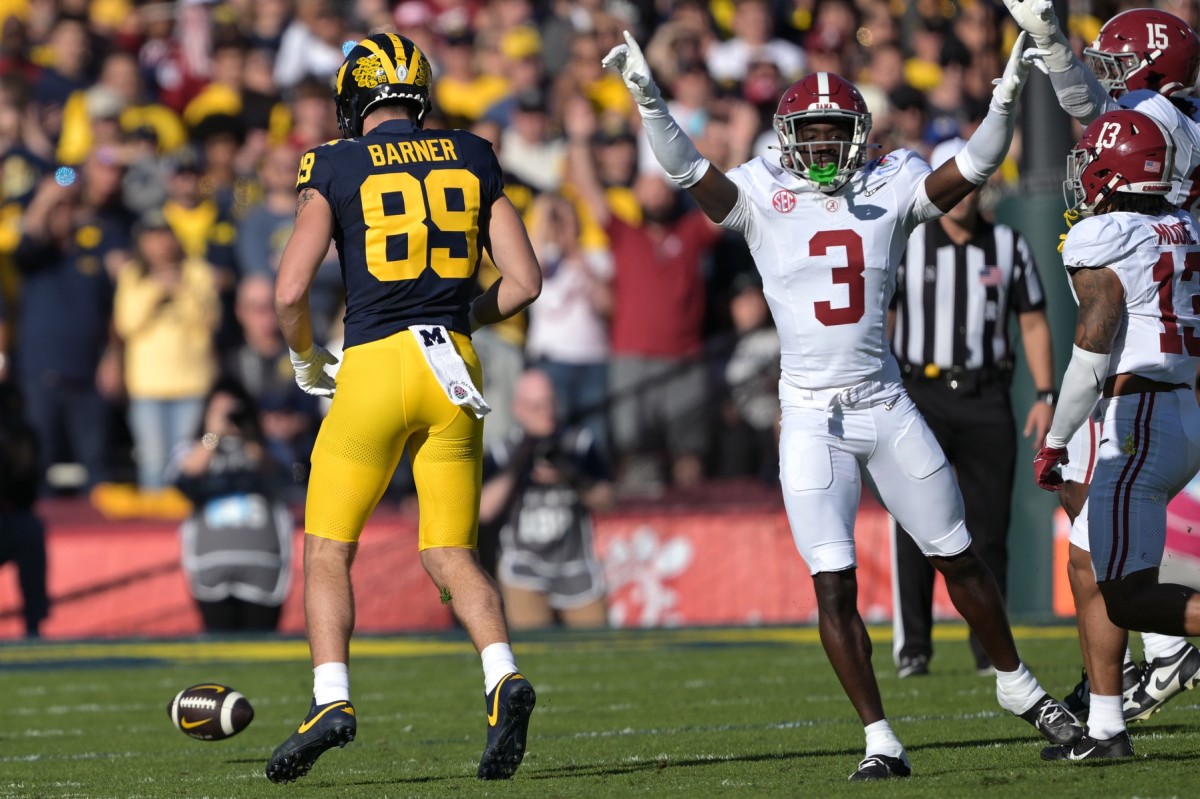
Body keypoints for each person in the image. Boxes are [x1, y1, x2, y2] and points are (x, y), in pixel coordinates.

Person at [603, 30, 1081, 780]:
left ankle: (1019, 685)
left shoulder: (890, 185)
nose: (823, 147)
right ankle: (880, 737)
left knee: (958, 553)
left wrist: (1007, 95)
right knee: (833, 579)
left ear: (859, 136)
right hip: (810, 415)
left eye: (835, 132)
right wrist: (649, 99)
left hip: (885, 402)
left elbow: (977, 165)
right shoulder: (763, 194)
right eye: (811, 133)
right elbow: (689, 168)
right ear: (787, 139)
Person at [266, 33, 542, 783]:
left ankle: (331, 698)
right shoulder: (473, 152)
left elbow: (289, 289)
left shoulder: (335, 161)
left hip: (376, 364)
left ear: (355, 98)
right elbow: (524, 280)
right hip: (454, 364)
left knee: (328, 546)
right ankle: (502, 674)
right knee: (452, 550)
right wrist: (458, 320)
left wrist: (300, 356)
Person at [1004, 0, 1200, 722]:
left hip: (1143, 336)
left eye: (1124, 68)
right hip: (1169, 310)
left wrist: (1053, 45)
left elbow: (1097, 112)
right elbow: (1104, 111)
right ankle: (1114, 701)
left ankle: (1151, 652)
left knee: (1095, 531)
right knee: (1089, 534)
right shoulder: (1164, 118)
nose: (1111, 83)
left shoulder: (1163, 127)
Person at [1032, 108, 1200, 760]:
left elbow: (1093, 348)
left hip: (1139, 417)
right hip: (1181, 406)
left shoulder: (1106, 234)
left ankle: (1119, 710)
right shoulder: (1183, 225)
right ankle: (1105, 727)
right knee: (1088, 562)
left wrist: (1057, 435)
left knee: (1129, 594)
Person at [888, 136, 1055, 679]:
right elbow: (882, 316)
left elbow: (1032, 319)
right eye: (951, 182)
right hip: (921, 394)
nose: (960, 195)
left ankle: (990, 648)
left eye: (968, 182)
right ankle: (914, 646)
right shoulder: (908, 244)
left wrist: (1046, 394)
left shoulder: (1009, 245)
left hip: (988, 395)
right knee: (915, 523)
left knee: (989, 526)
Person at [480, 369, 612, 630]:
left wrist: (572, 476)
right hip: (524, 567)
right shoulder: (505, 450)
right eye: (536, 406)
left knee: (599, 645)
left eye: (550, 402)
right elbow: (484, 511)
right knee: (533, 646)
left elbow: (608, 501)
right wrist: (518, 466)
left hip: (575, 567)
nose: (546, 412)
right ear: (518, 409)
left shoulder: (578, 443)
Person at [169, 378, 292, 633]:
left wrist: (249, 435)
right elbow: (184, 477)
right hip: (211, 566)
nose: (228, 418)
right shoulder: (194, 448)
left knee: (261, 642)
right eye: (220, 411)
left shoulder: (266, 448)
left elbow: (283, 474)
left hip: (263, 564)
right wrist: (212, 436)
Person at [0, 382, 49, 637]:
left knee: (30, 529)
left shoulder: (21, 434)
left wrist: (17, 460)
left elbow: (26, 496)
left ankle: (34, 623)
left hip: (8, 517)